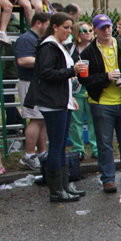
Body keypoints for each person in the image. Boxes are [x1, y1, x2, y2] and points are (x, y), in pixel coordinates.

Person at [24, 12, 88, 202]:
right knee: (57, 146)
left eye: (70, 27)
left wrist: (72, 96)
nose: (69, 31)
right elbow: (47, 74)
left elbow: (61, 76)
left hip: (63, 101)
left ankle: (65, 186)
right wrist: (71, 71)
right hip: (53, 103)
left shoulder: (59, 46)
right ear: (55, 27)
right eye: (65, 27)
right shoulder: (48, 47)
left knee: (60, 147)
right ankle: (56, 191)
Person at [80, 14, 121, 193]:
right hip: (101, 103)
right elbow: (84, 78)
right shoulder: (88, 52)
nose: (107, 30)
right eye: (102, 28)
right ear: (95, 30)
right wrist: (105, 77)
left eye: (109, 27)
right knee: (105, 143)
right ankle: (108, 179)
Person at [15, 12, 50, 170]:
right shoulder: (26, 39)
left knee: (41, 118)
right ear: (38, 23)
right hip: (30, 84)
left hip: (39, 84)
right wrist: (47, 61)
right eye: (48, 24)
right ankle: (29, 155)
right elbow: (23, 60)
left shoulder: (39, 39)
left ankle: (42, 152)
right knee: (35, 119)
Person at [67, 21, 97, 159]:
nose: (88, 33)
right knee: (76, 121)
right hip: (76, 88)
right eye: (84, 31)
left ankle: (96, 148)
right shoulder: (70, 49)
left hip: (91, 87)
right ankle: (78, 150)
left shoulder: (96, 48)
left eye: (90, 30)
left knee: (94, 120)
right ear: (77, 33)